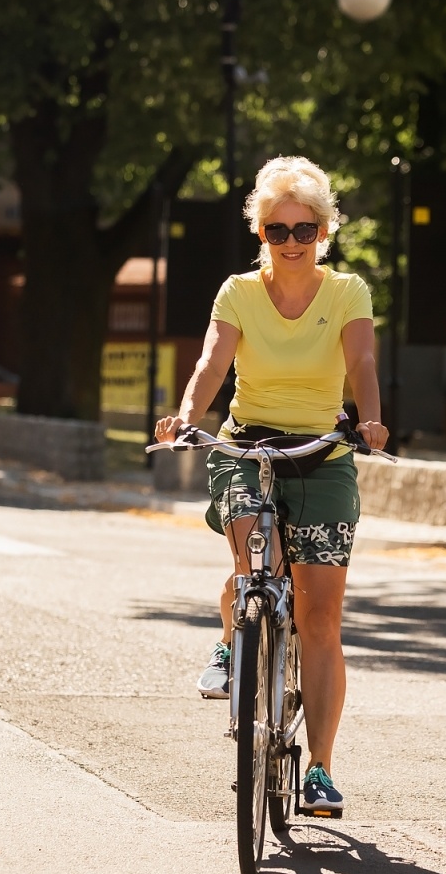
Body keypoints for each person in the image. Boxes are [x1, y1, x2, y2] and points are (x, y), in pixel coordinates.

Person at [155, 156, 387, 814]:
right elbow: (210, 362)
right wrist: (186, 417)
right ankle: (235, 636)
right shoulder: (237, 292)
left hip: (322, 451)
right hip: (246, 445)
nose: (290, 242)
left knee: (320, 617)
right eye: (276, 230)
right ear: (260, 234)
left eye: (303, 229)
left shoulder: (348, 292)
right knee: (255, 559)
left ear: (324, 231)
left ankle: (319, 767)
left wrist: (368, 417)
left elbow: (362, 359)